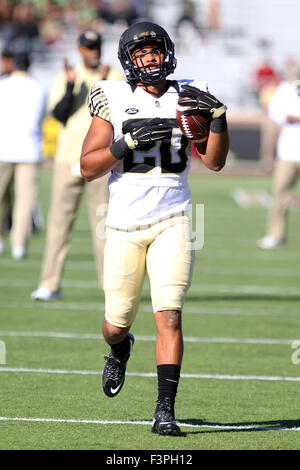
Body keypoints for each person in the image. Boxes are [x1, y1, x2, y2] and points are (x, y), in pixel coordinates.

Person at [80, 21, 229, 435]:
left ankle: (165, 410)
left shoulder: (190, 91)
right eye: (142, 53)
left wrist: (216, 119)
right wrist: (125, 144)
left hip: (175, 218)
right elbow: (87, 167)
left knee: (170, 316)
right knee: (116, 322)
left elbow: (214, 162)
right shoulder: (111, 94)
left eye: (156, 51)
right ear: (129, 60)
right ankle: (120, 348)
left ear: (168, 52)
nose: (151, 58)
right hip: (124, 223)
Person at [31, 30, 124, 301]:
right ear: (79, 49)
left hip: (101, 160)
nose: (93, 51)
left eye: (96, 46)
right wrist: (72, 86)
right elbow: (59, 116)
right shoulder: (65, 76)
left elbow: (120, 113)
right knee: (59, 225)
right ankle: (50, 283)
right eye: (88, 47)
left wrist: (105, 81)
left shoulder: (114, 77)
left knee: (104, 227)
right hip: (67, 158)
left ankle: (111, 288)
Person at [0, 51, 46, 259]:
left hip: (4, 147)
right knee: (25, 199)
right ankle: (19, 243)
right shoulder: (38, 87)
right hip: (29, 148)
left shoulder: (3, 85)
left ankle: (1, 239)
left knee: (2, 197)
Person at [258, 74, 300, 249]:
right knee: (279, 193)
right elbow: (276, 112)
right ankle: (275, 235)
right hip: (288, 152)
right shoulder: (286, 89)